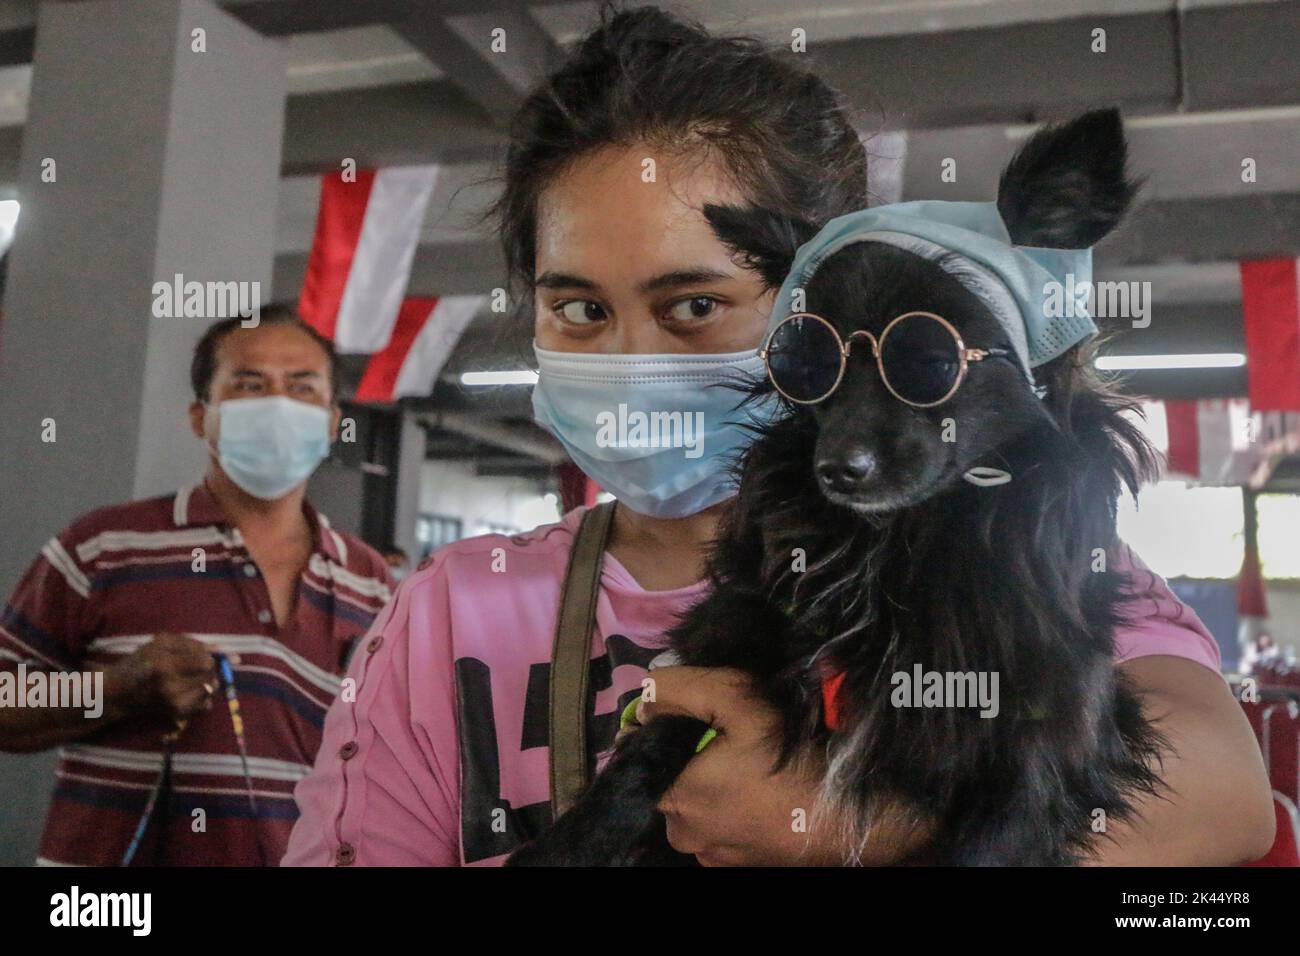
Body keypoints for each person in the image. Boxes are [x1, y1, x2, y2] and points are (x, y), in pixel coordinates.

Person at [283, 5, 1274, 867]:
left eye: (697, 303)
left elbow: (1220, 800)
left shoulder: (1027, 562)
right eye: (580, 310)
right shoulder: (454, 611)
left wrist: (845, 827)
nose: (632, 358)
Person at [0, 306, 394, 865]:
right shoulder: (104, 545)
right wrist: (115, 689)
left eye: (301, 388)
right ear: (199, 417)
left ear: (333, 421)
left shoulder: (372, 583)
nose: (277, 405)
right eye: (248, 385)